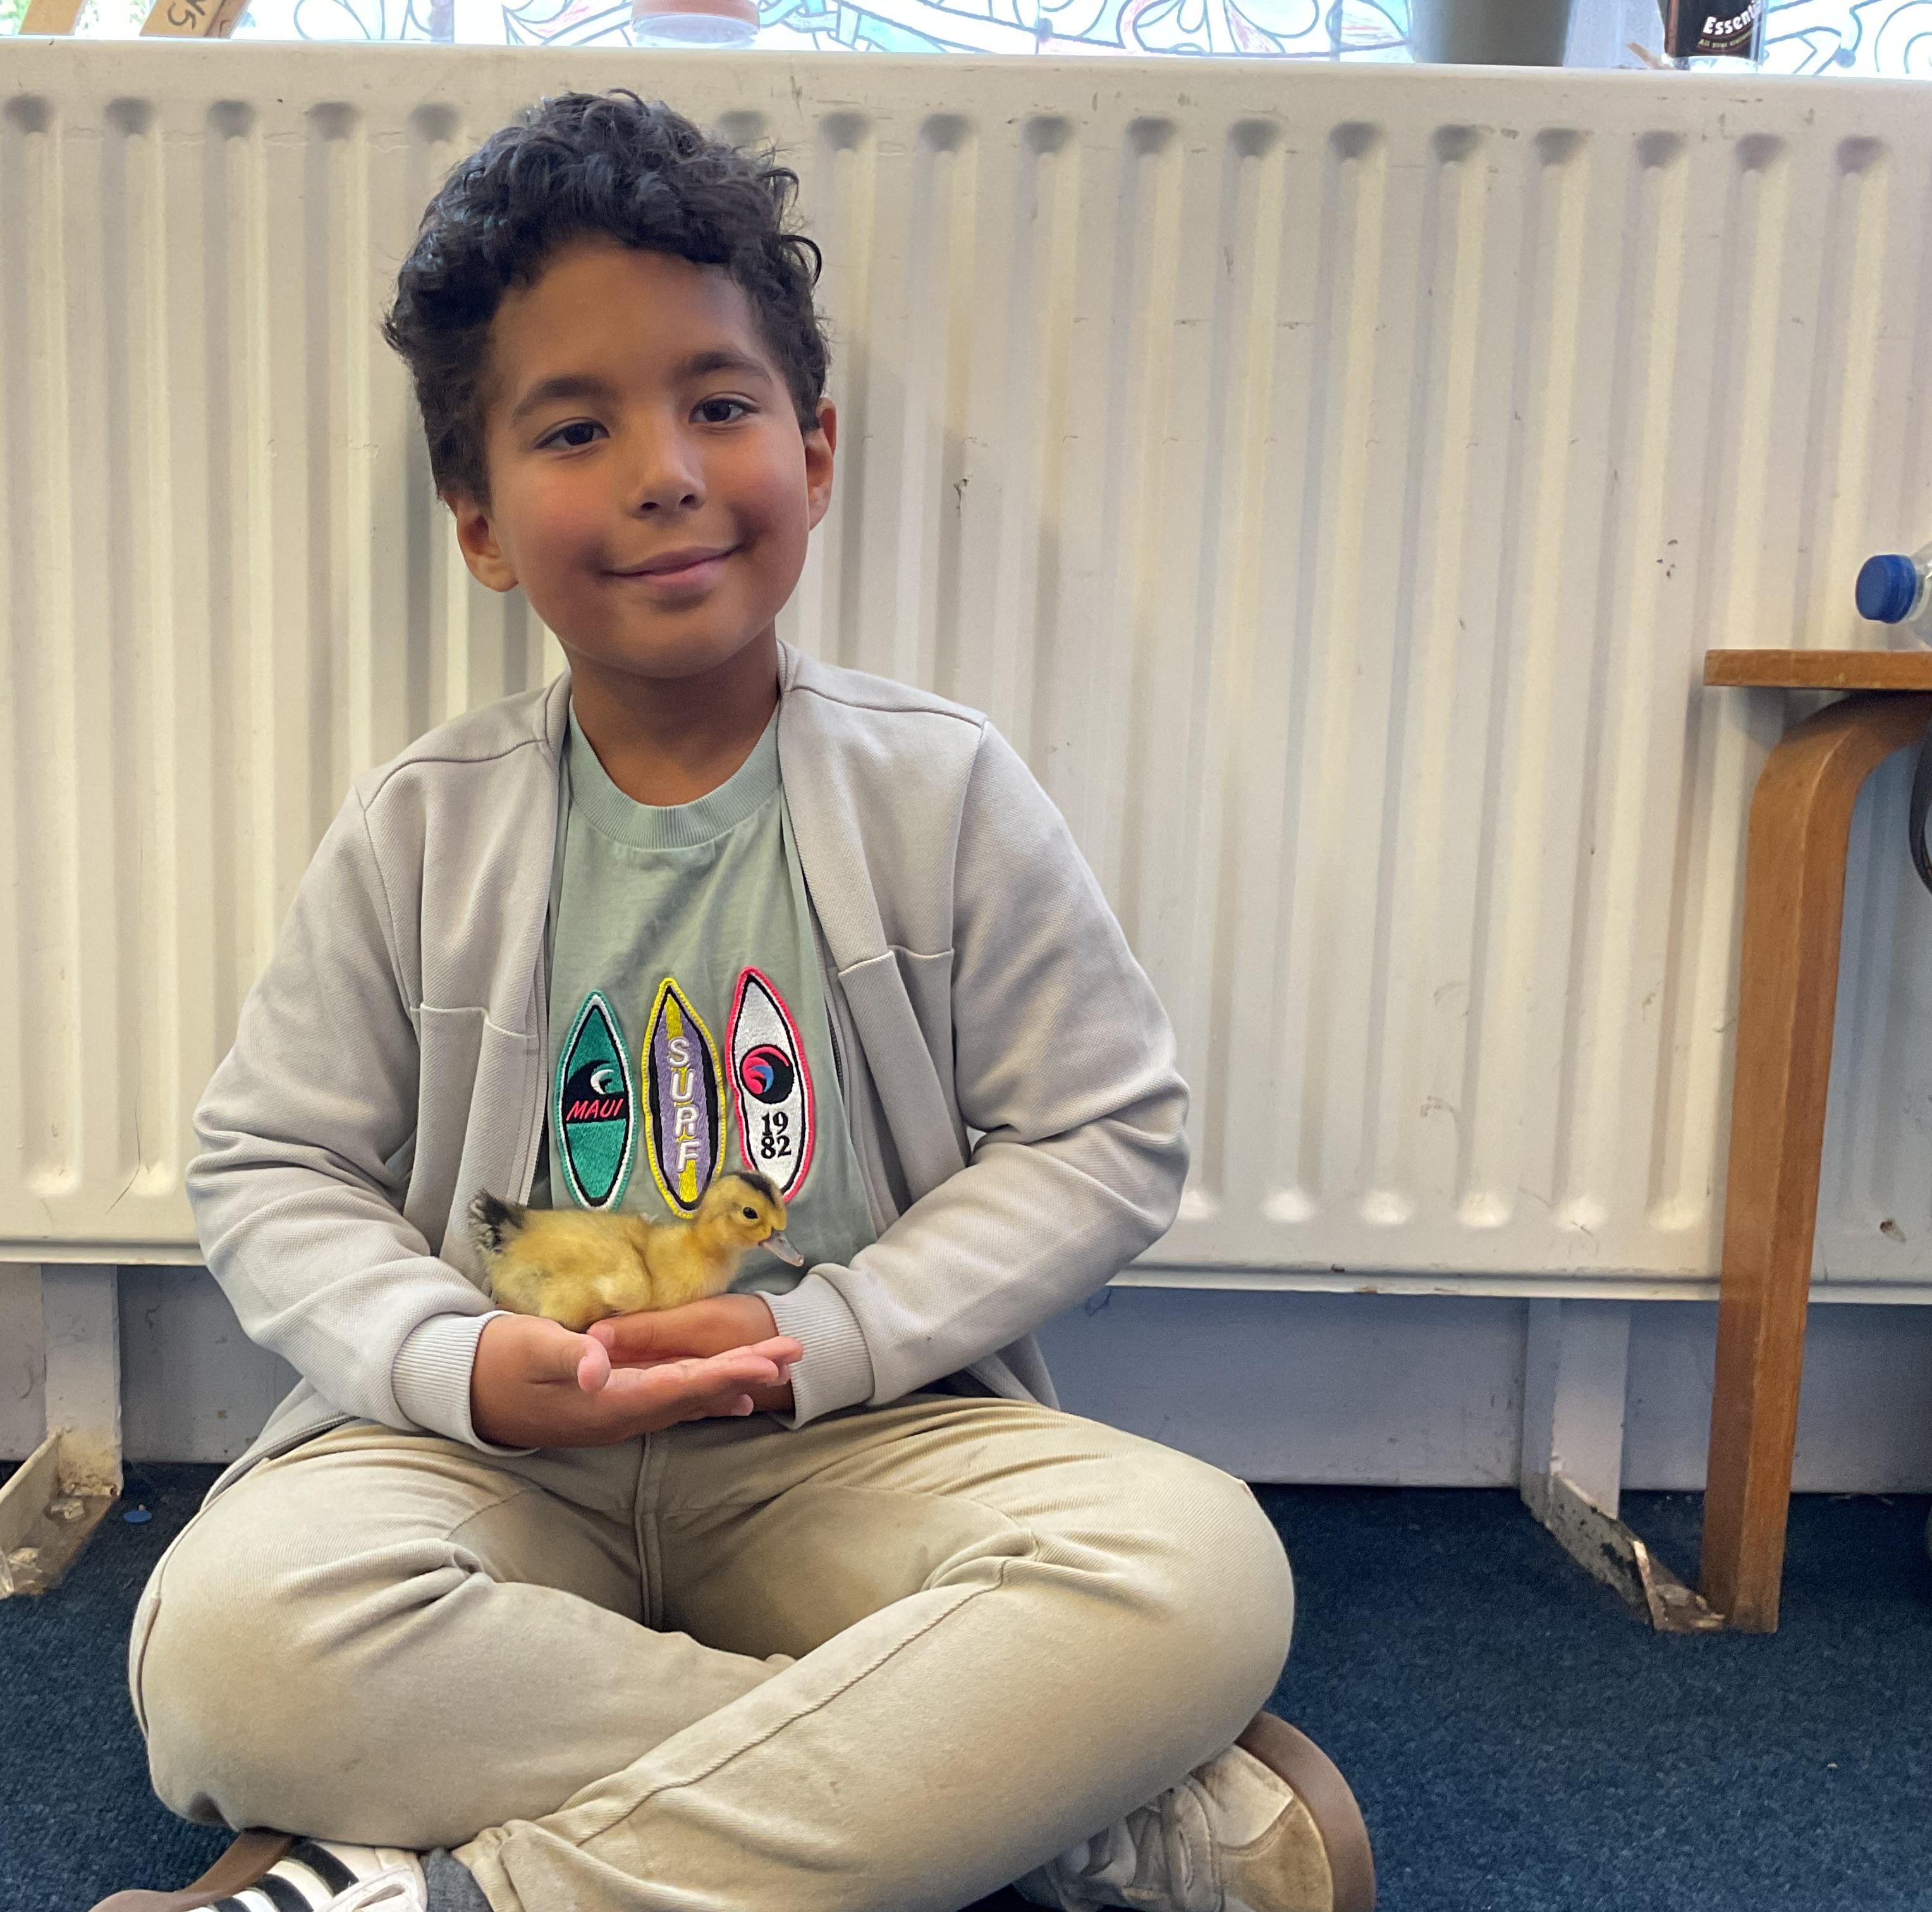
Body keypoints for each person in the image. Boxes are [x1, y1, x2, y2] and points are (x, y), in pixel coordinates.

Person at [101, 89, 1374, 1912]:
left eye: (718, 404)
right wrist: (456, 1363)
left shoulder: (943, 790)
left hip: (843, 1448)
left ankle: (473, 1892)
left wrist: (838, 1338)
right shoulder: (419, 825)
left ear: (815, 450)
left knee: (1196, 1564)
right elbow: (269, 1164)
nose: (664, 472)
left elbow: (1105, 1138)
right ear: (478, 521)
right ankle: (1063, 1823)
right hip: (494, 1464)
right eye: (575, 428)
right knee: (229, 1653)